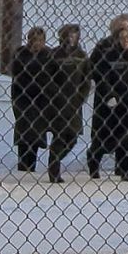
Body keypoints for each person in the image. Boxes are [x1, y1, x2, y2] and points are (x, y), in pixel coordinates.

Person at [88, 15, 128, 181]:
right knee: (106, 136)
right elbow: (98, 72)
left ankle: (125, 170)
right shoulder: (104, 48)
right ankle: (94, 162)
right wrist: (108, 95)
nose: (125, 31)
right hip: (110, 102)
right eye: (121, 27)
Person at [45, 23, 90, 183]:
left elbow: (86, 79)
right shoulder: (54, 55)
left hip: (75, 102)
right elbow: (48, 78)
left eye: (75, 35)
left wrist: (81, 97)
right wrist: (56, 95)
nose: (72, 38)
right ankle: (54, 167)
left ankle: (55, 160)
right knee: (60, 134)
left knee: (73, 137)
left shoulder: (81, 55)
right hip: (58, 102)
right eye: (69, 35)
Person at [8, 26, 56, 173]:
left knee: (36, 135)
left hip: (41, 100)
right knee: (24, 134)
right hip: (23, 98)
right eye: (34, 40)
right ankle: (23, 165)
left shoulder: (48, 55)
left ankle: (31, 165)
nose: (37, 43)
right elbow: (17, 76)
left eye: (40, 40)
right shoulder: (21, 54)